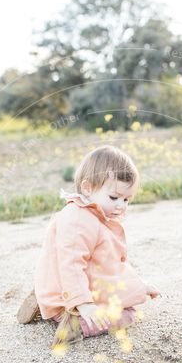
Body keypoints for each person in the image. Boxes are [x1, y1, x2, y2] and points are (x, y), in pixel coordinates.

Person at [17, 145, 160, 346]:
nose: (121, 205)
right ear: (87, 188)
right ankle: (75, 323)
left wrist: (139, 285)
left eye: (127, 199)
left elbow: (110, 264)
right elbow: (72, 264)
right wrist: (84, 305)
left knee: (126, 297)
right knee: (128, 314)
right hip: (73, 297)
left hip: (68, 286)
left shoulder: (95, 214)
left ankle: (46, 297)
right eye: (114, 197)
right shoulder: (78, 220)